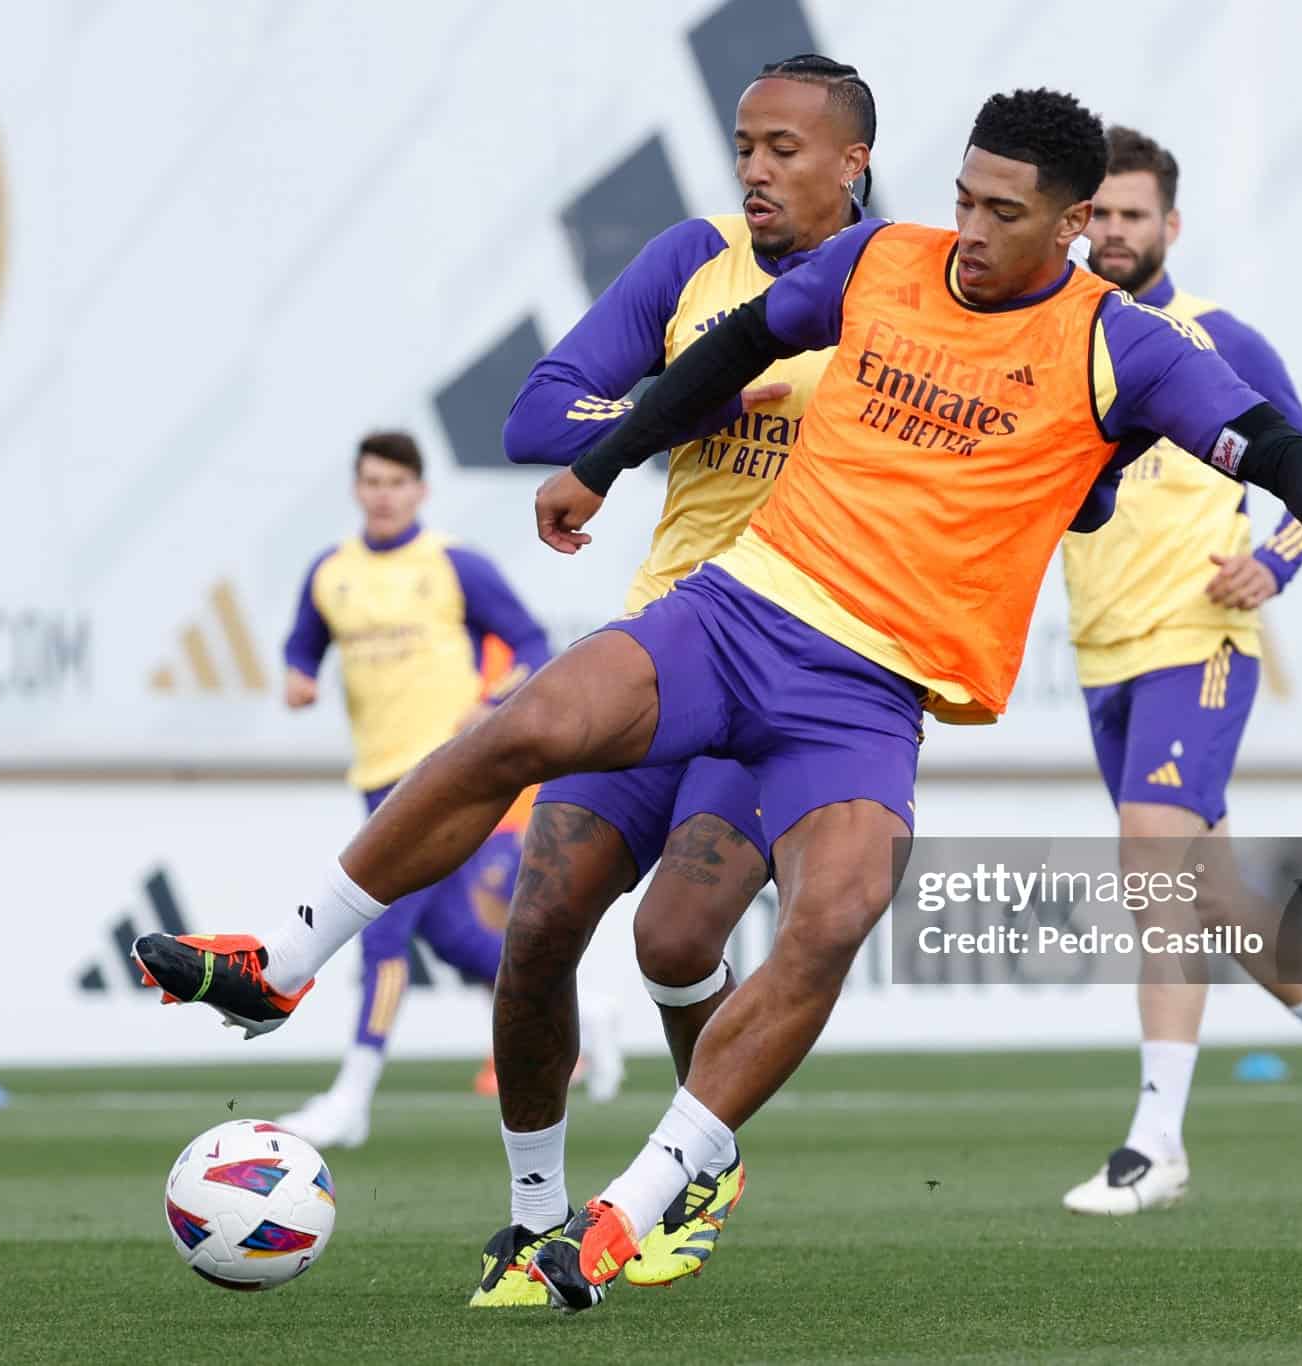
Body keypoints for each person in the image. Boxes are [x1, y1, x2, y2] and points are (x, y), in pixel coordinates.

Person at [132, 87, 1302, 1315]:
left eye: (1002, 211)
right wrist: (600, 460)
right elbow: (737, 344)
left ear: (1066, 228)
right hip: (734, 614)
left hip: (867, 690)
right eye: (960, 195)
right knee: (521, 730)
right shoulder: (884, 259)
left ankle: (630, 1207)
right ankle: (287, 959)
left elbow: (1269, 439)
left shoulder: (1121, 343)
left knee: (830, 913)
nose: (969, 227)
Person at [467, 53, 880, 1307]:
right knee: (537, 925)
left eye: (780, 149)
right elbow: (536, 417)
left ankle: (695, 1164)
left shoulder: (902, 287)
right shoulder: (687, 262)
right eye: (743, 145)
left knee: (676, 933)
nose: (752, 169)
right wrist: (679, 408)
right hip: (664, 645)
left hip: (801, 665)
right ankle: (536, 1214)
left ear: (852, 163)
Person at [1054, 127, 1302, 1215]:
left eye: (1134, 214)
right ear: (1076, 225)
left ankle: (1153, 1142)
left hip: (1198, 645)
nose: (1115, 231)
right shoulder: (1060, 346)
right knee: (1210, 895)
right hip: (1102, 653)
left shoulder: (1213, 338)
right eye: (1101, 214)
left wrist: (1271, 560)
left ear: (1168, 227)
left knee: (1151, 869)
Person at [249, 432, 590, 1150]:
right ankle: (592, 1010)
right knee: (458, 939)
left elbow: (532, 645)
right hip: (377, 780)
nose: (384, 493)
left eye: (397, 481)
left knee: (385, 933)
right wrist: (297, 675)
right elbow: (303, 642)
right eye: (372, 480)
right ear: (356, 487)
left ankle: (352, 1095)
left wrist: (492, 705)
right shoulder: (331, 572)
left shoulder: (452, 563)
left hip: (447, 779)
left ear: (420, 491)